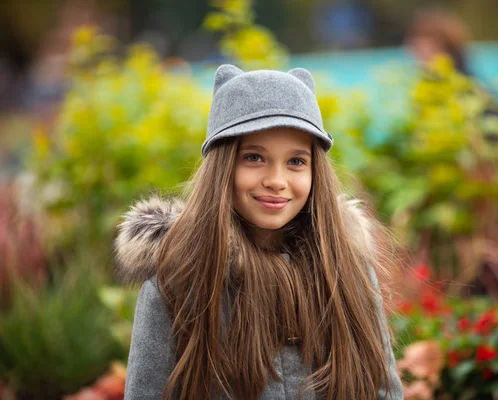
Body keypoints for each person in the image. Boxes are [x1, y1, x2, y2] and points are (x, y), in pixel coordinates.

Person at [114, 64, 404, 400]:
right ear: (223, 167)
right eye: (254, 157)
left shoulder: (346, 271)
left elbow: (384, 391)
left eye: (296, 161)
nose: (276, 181)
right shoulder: (178, 282)